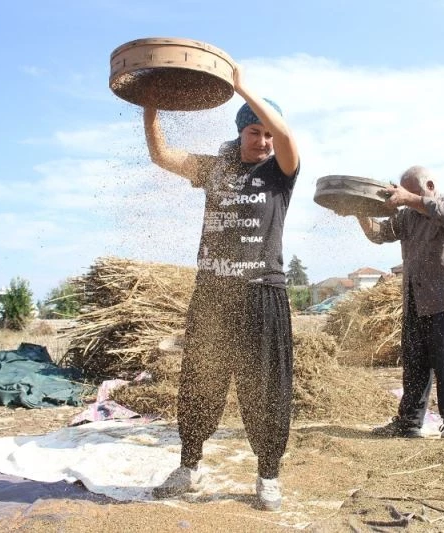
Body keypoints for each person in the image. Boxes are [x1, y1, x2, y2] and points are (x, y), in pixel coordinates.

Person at [143, 65, 300, 511]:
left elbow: (288, 139)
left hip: (262, 293)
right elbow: (161, 154)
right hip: (213, 295)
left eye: (268, 133)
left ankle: (267, 475)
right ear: (240, 132)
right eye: (256, 132)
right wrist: (150, 102)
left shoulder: (280, 174)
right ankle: (188, 465)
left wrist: (242, 88)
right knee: (201, 382)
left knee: (265, 388)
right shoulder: (214, 169)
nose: (264, 141)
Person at [356, 166, 444, 440]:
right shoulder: (407, 218)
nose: (403, 197)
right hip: (416, 299)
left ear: (429, 185)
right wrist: (358, 212)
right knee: (415, 363)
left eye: (408, 191)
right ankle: (409, 423)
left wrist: (407, 199)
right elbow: (378, 234)